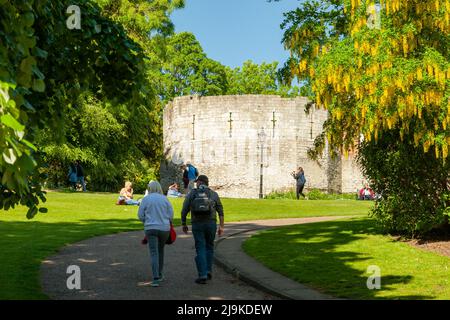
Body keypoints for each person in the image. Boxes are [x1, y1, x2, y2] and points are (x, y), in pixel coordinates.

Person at [181, 175, 224, 284]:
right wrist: (221, 226)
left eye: (197, 182)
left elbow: (184, 209)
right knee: (209, 247)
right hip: (211, 223)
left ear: (200, 182)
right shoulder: (213, 194)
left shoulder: (192, 193)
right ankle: (208, 270)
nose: (196, 184)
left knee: (200, 247)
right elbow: (220, 211)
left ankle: (202, 274)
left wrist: (183, 223)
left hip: (197, 223)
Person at [138, 181, 174, 287]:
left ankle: (155, 278)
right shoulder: (165, 199)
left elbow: (140, 215)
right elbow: (171, 215)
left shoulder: (146, 199)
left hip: (150, 228)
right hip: (164, 228)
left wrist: (147, 222)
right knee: (161, 250)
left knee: (154, 252)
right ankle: (160, 274)